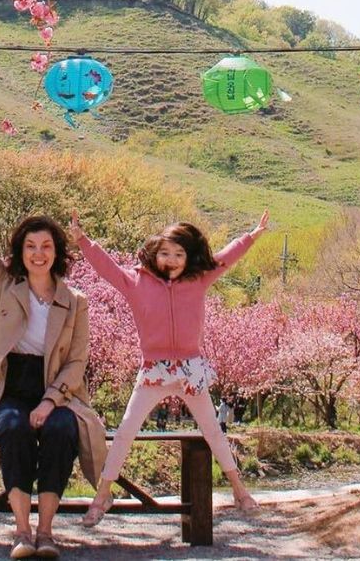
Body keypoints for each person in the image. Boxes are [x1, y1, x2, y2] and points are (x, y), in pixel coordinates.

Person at [0, 141, 106, 561]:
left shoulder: (75, 302)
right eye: (30, 246)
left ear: (57, 252)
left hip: (57, 391)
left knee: (62, 431)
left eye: (46, 246)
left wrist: (50, 401)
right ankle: (22, 532)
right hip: (7, 386)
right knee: (12, 428)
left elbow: (76, 362)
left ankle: (46, 533)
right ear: (20, 251)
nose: (38, 254)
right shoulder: (5, 287)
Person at [70, 210, 269, 524]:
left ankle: (239, 490)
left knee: (213, 430)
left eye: (179, 254)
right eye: (165, 253)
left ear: (189, 258)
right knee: (126, 431)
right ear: (154, 253)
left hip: (190, 369)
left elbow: (225, 259)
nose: (172, 260)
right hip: (154, 370)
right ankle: (102, 496)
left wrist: (251, 236)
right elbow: (107, 267)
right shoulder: (135, 281)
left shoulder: (198, 279)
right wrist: (83, 240)